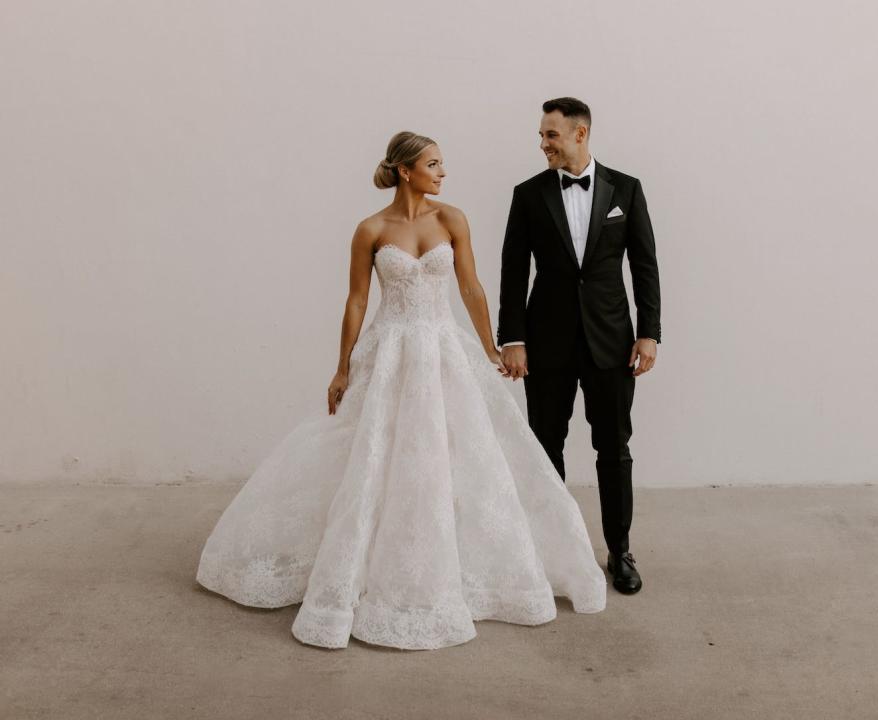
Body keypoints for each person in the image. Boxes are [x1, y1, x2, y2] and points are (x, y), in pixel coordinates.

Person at [196, 131, 606, 651]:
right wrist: (341, 368)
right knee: (372, 455)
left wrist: (490, 348)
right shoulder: (370, 229)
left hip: (442, 350)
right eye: (434, 164)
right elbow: (356, 301)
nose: (443, 172)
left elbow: (471, 287)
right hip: (389, 353)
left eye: (442, 164)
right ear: (406, 170)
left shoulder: (452, 219)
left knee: (459, 455)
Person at [497, 97, 662, 595]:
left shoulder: (625, 190)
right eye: (542, 135)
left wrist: (649, 332)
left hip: (612, 344)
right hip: (545, 346)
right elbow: (512, 272)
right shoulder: (527, 195)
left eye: (551, 135)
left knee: (614, 449)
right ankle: (553, 552)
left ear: (580, 134)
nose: (542, 143)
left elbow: (645, 266)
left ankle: (620, 550)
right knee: (545, 449)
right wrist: (513, 339)